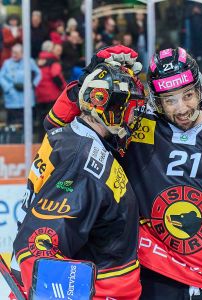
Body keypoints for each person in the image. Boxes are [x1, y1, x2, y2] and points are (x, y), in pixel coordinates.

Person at [43, 46, 202, 299]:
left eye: (188, 95)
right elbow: (60, 131)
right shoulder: (136, 123)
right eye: (169, 100)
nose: (181, 108)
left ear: (200, 87)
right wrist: (87, 83)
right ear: (155, 100)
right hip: (154, 276)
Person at [11, 62, 146, 299]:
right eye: (131, 107)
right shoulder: (82, 163)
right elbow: (40, 243)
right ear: (111, 107)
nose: (135, 116)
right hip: (101, 290)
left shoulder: (71, 133)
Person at [0, 43, 41, 125]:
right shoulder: (7, 63)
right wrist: (9, 88)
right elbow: (1, 77)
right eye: (13, 52)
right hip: (12, 99)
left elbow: (38, 73)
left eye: (16, 53)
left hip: (26, 98)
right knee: (13, 124)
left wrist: (33, 85)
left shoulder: (29, 61)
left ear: (22, 53)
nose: (14, 55)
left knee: (27, 124)